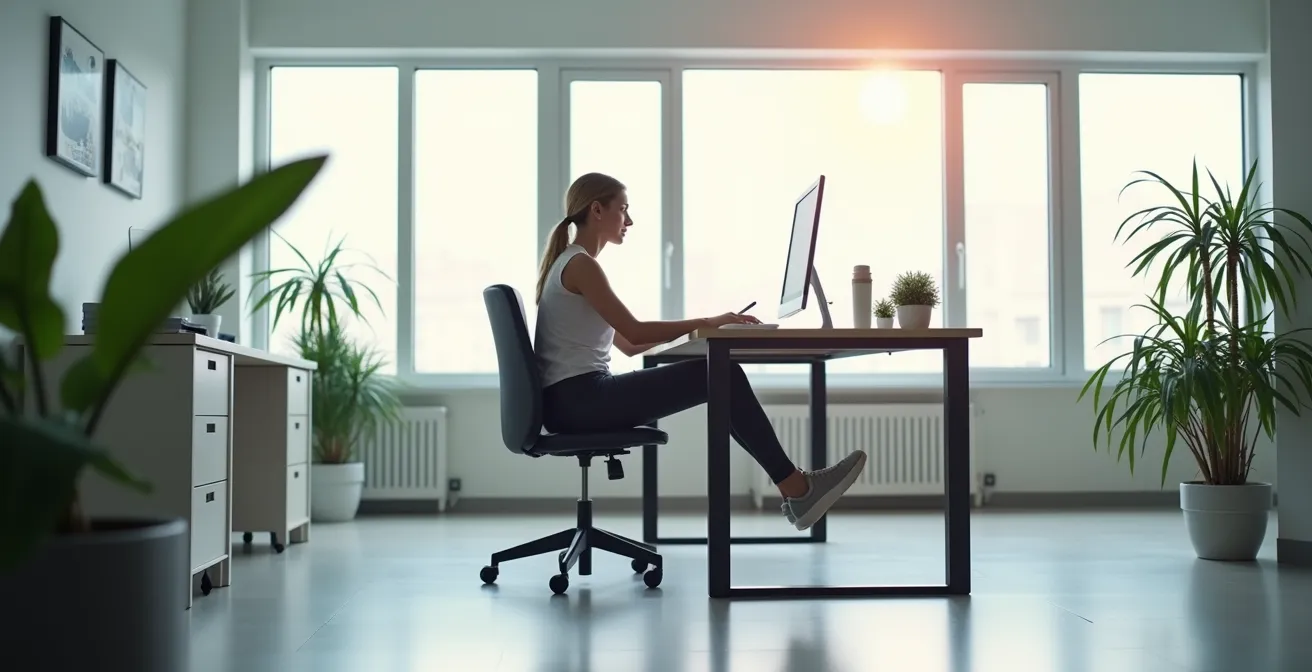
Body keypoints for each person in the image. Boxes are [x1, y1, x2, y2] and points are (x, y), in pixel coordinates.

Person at [533, 172, 867, 531]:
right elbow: (634, 330)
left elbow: (629, 345)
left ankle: (796, 489)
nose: (629, 221)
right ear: (597, 210)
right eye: (623, 210)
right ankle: (798, 488)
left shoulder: (572, 263)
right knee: (721, 374)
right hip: (580, 401)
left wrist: (698, 334)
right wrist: (709, 320)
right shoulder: (582, 265)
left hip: (572, 402)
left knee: (717, 375)